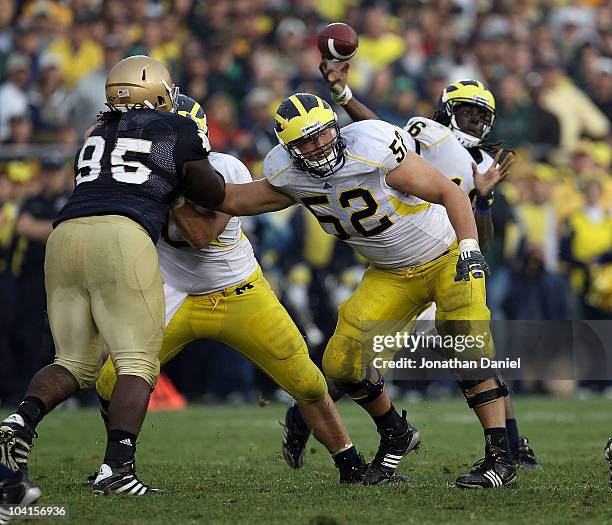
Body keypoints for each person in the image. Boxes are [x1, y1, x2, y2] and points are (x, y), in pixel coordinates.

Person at [216, 92, 516, 488]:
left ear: (335, 129)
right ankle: (395, 431)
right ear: (289, 150)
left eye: (323, 135)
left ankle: (500, 458)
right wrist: (175, 183)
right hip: (390, 272)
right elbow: (233, 199)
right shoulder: (288, 174)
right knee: (342, 363)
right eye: (306, 142)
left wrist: (469, 248)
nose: (319, 147)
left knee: (466, 346)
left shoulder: (371, 148)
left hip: (444, 255)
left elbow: (451, 193)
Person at [92, 94, 370, 485]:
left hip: (237, 289)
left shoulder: (225, 168)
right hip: (173, 291)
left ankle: (351, 464)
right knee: (110, 381)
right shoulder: (139, 176)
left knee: (307, 381)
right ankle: (116, 465)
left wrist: (164, 187)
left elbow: (201, 235)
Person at [287, 62, 540, 470]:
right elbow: (382, 138)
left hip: (445, 263)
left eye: (481, 116)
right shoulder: (427, 132)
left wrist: (485, 199)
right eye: (467, 112)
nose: (474, 122)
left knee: (474, 350)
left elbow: (481, 238)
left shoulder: (481, 167)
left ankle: (509, 445)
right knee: (359, 365)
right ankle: (303, 417)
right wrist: (346, 98)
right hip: (401, 263)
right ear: (446, 110)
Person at [0, 55, 225, 495]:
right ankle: (117, 471)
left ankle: (20, 418)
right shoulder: (175, 127)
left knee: (73, 362)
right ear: (159, 92)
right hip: (121, 234)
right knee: (137, 360)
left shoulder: (97, 130)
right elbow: (212, 191)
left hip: (63, 235)